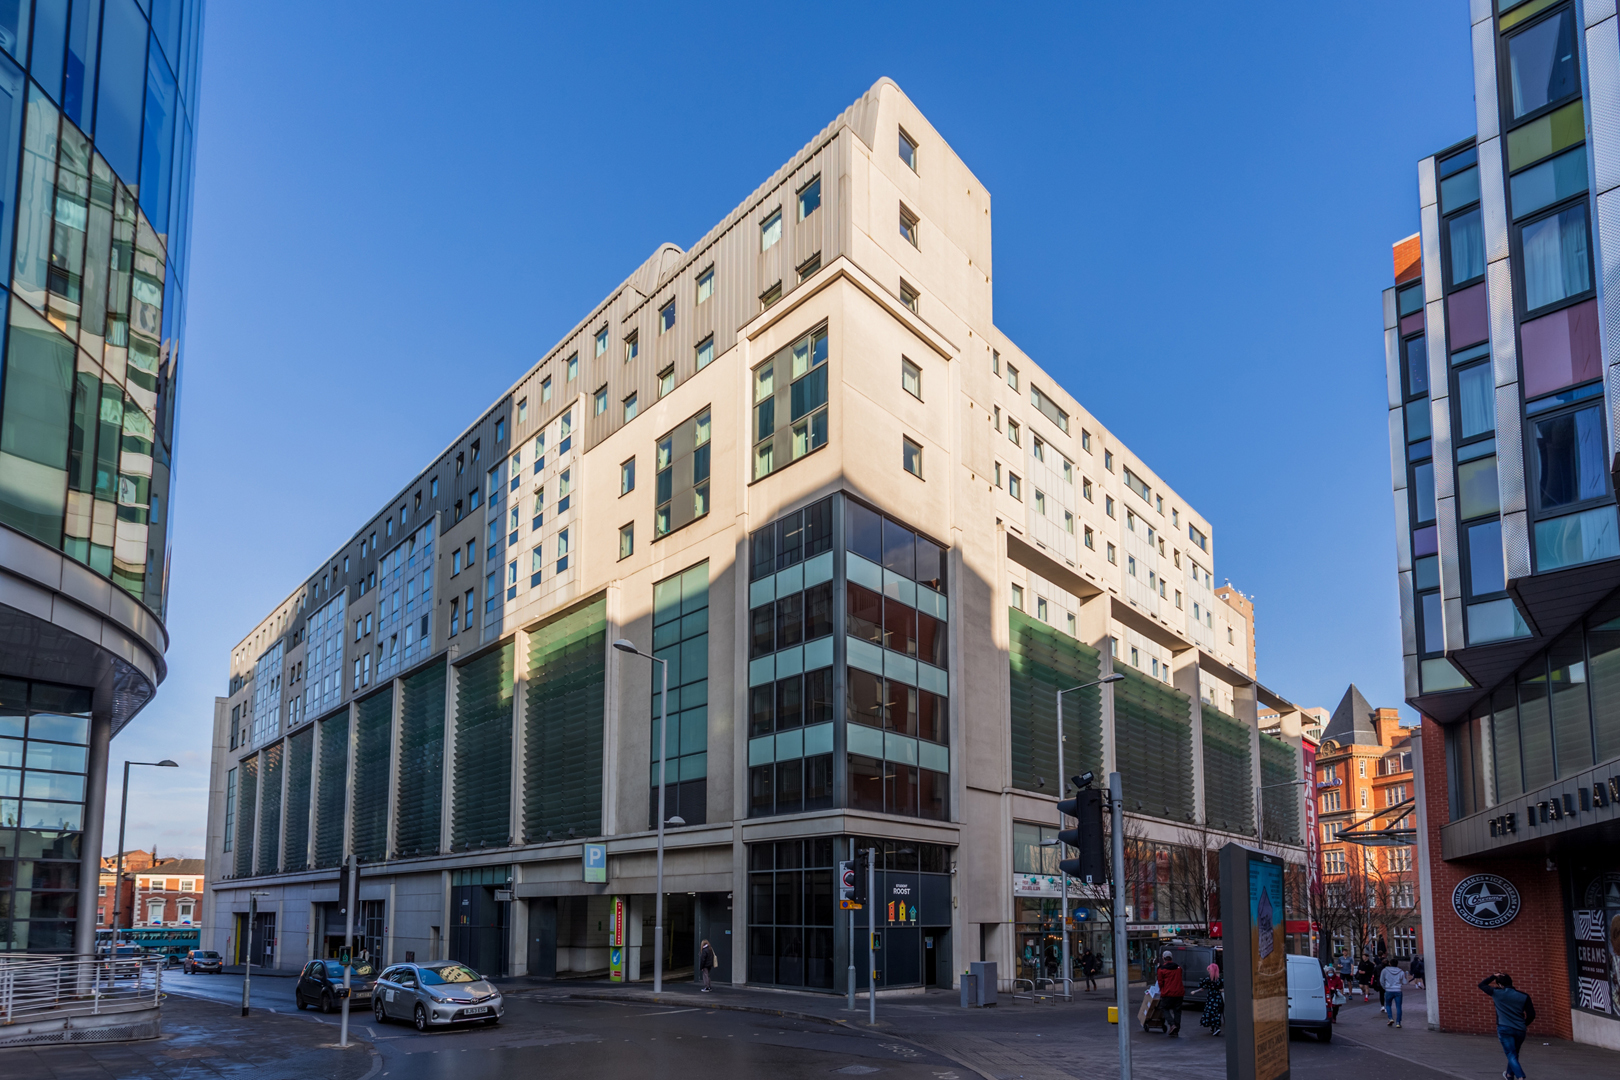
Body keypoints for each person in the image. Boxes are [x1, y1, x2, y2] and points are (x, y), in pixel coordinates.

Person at [1480, 972, 1535, 1080]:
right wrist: (1524, 1024)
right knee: (1515, 1053)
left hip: (1504, 1027)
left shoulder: (1496, 993)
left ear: (1500, 985)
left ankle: (1520, 1076)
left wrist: (1493, 976)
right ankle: (1509, 1075)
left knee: (1510, 1053)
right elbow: (1531, 1015)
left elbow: (1481, 985)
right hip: (1520, 1029)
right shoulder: (1524, 996)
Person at [1156, 950, 1186, 1037]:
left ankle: (1172, 1024)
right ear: (1171, 958)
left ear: (1163, 958)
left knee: (1164, 1008)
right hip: (1179, 993)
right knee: (1177, 1011)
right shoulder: (1179, 968)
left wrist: (1162, 990)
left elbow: (1160, 982)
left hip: (1168, 993)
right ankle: (1176, 1029)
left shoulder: (1161, 970)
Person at [1196, 962, 1224, 1036]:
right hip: (1218, 997)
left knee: (1210, 1012)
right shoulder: (1220, 980)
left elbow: (1201, 987)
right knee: (1217, 1013)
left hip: (1211, 997)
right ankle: (1216, 1027)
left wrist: (1195, 991)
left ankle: (1213, 1027)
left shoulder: (1207, 980)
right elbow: (1222, 988)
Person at [1380, 959, 1406, 1027]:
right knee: (1398, 1007)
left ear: (1390, 964)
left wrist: (1385, 987)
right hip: (1398, 990)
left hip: (1388, 990)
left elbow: (1381, 980)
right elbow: (1405, 982)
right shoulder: (1401, 971)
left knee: (1388, 1005)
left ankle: (1390, 1018)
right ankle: (1398, 1023)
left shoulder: (1385, 970)